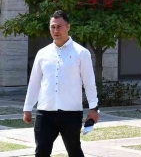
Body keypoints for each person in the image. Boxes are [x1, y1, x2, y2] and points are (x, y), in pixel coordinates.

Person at [23, 10, 99, 157]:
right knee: (41, 152)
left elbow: (89, 83)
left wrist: (93, 108)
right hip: (45, 113)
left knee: (74, 152)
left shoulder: (81, 53)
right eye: (53, 27)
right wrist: (27, 107)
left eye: (59, 27)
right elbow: (34, 82)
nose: (56, 30)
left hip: (71, 113)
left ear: (68, 27)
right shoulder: (42, 53)